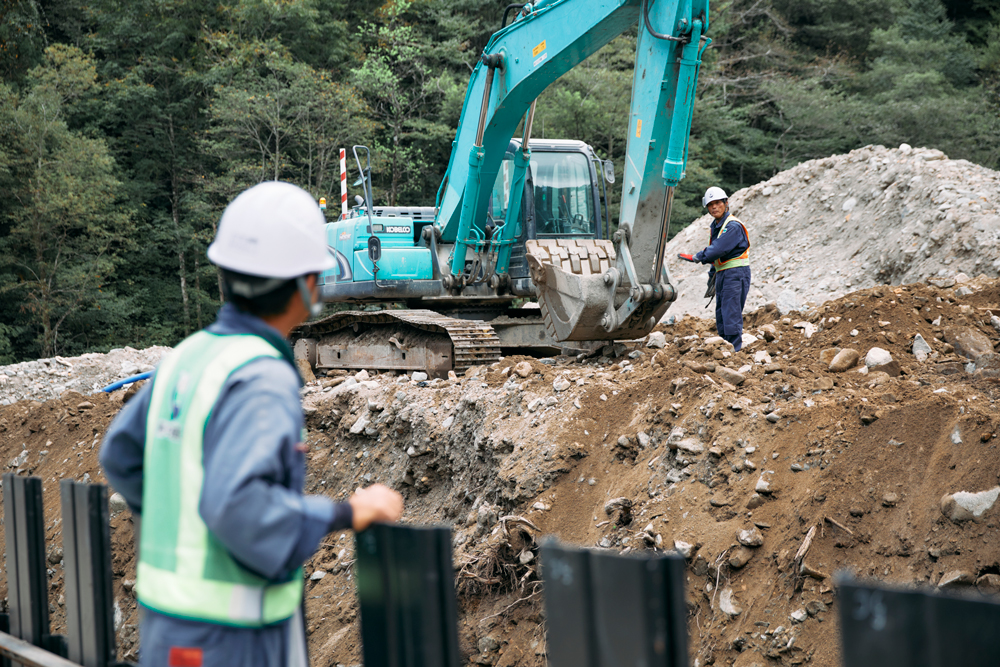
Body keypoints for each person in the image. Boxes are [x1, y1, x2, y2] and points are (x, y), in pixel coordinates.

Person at [100, 181, 404, 667]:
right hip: (231, 641)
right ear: (308, 286)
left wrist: (182, 529)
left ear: (224, 276)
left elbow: (120, 455)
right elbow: (238, 505)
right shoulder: (261, 377)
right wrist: (346, 513)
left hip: (167, 628)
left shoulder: (188, 356)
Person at [680, 187, 751, 351]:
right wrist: (712, 276)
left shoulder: (732, 226)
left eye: (717, 203)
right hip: (723, 273)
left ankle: (734, 351)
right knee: (721, 314)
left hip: (735, 273)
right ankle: (725, 350)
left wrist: (699, 256)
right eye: (710, 204)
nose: (714, 207)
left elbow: (718, 249)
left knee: (731, 313)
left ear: (726, 203)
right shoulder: (717, 226)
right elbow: (717, 256)